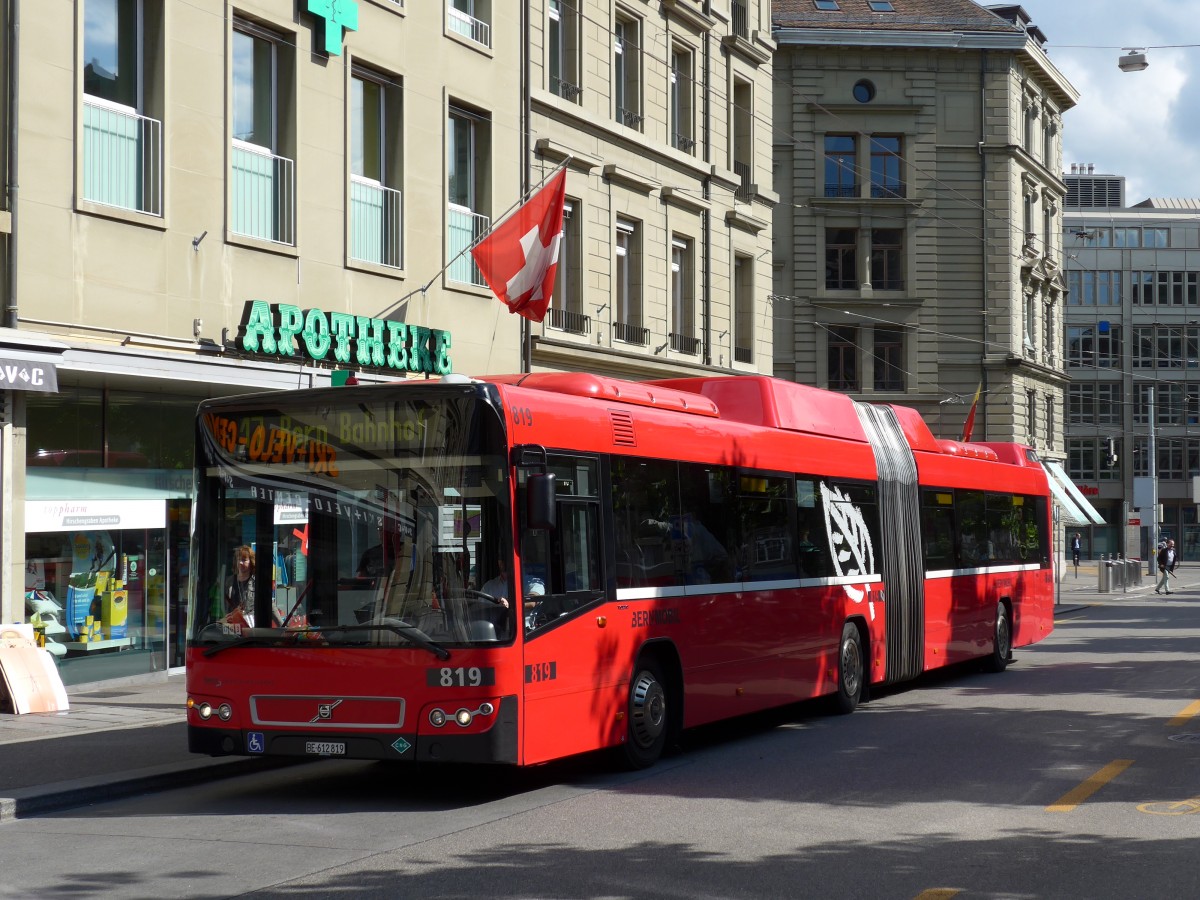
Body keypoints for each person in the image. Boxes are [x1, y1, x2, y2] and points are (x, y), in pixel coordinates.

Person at [225, 545, 256, 620]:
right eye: (238, 559)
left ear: (251, 562)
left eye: (244, 560)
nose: (240, 562)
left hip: (250, 623)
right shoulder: (229, 581)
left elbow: (270, 605)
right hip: (231, 623)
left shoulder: (255, 582)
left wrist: (282, 625)